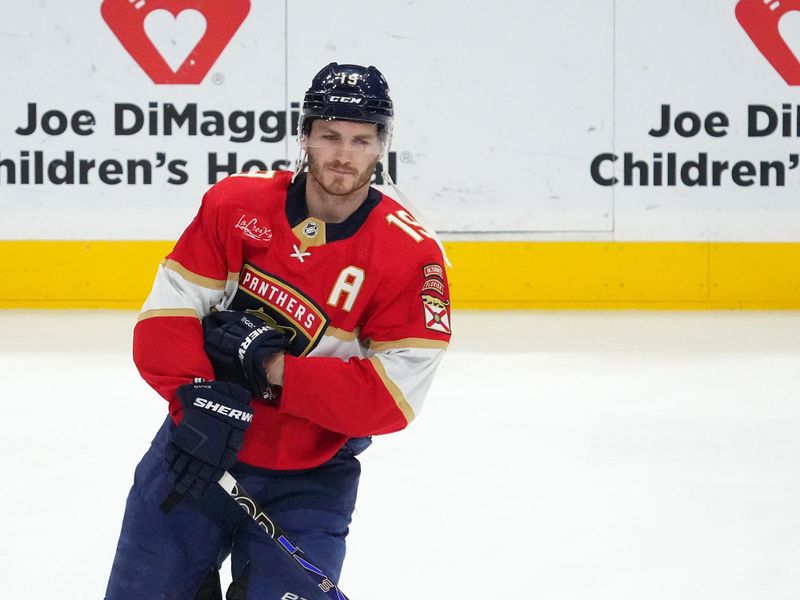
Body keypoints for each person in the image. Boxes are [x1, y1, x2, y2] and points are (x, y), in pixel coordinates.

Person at [104, 62, 452, 599]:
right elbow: (165, 316)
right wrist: (195, 401)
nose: (343, 155)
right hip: (195, 451)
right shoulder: (236, 205)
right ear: (305, 136)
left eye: (361, 139)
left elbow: (394, 397)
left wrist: (272, 366)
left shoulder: (412, 255)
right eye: (329, 135)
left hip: (310, 480)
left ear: (381, 145)